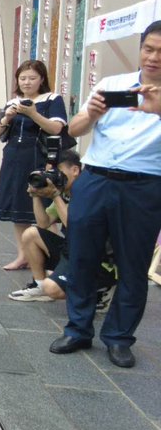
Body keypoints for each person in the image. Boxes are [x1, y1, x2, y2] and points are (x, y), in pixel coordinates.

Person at [48, 21, 161, 368]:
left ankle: (119, 338)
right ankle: (78, 329)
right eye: (149, 49)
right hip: (95, 179)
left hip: (144, 186)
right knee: (82, 256)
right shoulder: (112, 85)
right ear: (140, 49)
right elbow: (75, 128)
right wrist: (93, 114)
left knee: (133, 264)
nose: (154, 57)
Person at [8, 150, 115, 304]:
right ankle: (39, 286)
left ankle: (101, 291)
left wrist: (55, 195)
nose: (55, 177)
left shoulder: (87, 192)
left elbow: (76, 227)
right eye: (51, 173)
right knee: (30, 234)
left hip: (97, 259)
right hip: (74, 250)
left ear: (75, 170)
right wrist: (36, 195)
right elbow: (43, 223)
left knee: (52, 289)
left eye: (59, 171)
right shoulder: (64, 193)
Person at [0, 60, 67, 270]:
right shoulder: (12, 102)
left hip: (40, 159)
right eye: (22, 78)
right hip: (14, 158)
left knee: (45, 211)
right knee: (18, 209)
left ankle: (55, 259)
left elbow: (56, 128)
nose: (27, 82)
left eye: (32, 78)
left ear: (42, 79)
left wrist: (33, 113)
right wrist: (7, 117)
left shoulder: (52, 99)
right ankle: (23, 256)